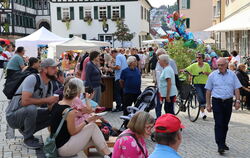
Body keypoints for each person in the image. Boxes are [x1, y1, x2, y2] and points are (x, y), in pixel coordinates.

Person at [50, 78, 112, 157]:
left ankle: (107, 155)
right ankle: (110, 154)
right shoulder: (69, 111)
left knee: (96, 138)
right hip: (63, 149)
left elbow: (50, 127)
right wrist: (87, 121)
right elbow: (73, 132)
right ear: (77, 93)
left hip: (57, 145)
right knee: (93, 127)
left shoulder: (57, 104)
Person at [5, 58, 60, 149]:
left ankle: (26, 130)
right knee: (31, 108)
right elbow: (25, 101)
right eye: (53, 68)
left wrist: (58, 105)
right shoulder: (32, 78)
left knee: (54, 113)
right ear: (45, 69)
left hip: (25, 114)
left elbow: (50, 106)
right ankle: (28, 138)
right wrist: (47, 100)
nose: (56, 70)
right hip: (13, 116)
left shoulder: (49, 84)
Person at [205, 57, 242, 155]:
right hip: (217, 101)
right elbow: (208, 91)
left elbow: (237, 89)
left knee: (225, 124)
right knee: (219, 123)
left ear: (226, 65)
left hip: (228, 102)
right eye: (218, 65)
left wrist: (237, 101)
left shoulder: (232, 75)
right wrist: (208, 104)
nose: (220, 67)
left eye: (222, 65)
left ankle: (223, 142)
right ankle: (220, 145)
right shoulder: (212, 75)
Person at [184, 53, 211, 120]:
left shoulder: (206, 65)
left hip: (205, 84)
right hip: (197, 83)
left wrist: (206, 73)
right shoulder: (194, 65)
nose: (198, 59)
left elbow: (210, 73)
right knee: (201, 97)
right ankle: (202, 113)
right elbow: (187, 69)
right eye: (197, 57)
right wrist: (184, 71)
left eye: (199, 58)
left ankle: (203, 109)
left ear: (203, 59)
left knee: (205, 98)